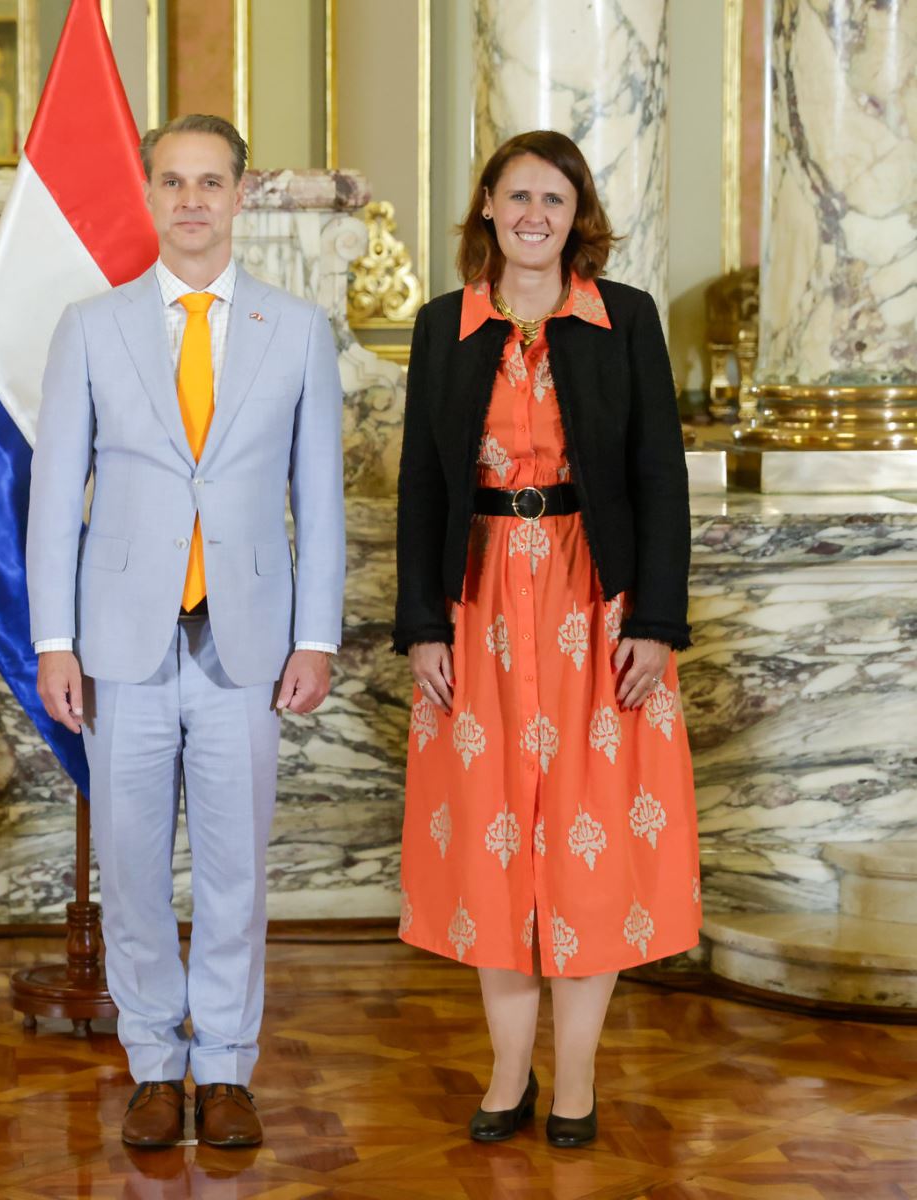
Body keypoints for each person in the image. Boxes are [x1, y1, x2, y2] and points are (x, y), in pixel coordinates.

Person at [27, 113, 346, 1150]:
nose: (195, 200)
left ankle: (227, 1067)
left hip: (248, 642)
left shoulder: (295, 330)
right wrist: (54, 639)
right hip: (120, 642)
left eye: (214, 181)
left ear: (243, 194)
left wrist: (318, 636)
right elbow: (51, 500)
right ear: (150, 193)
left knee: (234, 869)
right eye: (176, 181)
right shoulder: (92, 325)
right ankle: (156, 1064)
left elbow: (321, 500)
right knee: (128, 865)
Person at [393, 130, 700, 1149]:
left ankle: (575, 1082)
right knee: (490, 841)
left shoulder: (625, 320)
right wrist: (422, 626)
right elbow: (421, 486)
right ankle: (506, 1072)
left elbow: (661, 474)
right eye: (516, 195)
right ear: (486, 206)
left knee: (589, 838)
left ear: (578, 219)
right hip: (476, 599)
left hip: (591, 601)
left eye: (554, 200)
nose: (534, 215)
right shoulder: (444, 326)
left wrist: (654, 622)